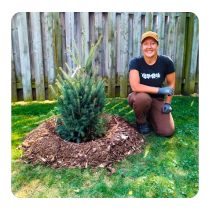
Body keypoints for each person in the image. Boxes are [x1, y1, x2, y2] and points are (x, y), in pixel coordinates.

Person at [128, 31, 175, 137]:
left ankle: (149, 113)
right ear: (141, 46)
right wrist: (160, 90)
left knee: (167, 131)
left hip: (157, 99)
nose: (149, 47)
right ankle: (141, 123)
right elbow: (135, 86)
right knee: (143, 98)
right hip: (138, 97)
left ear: (157, 45)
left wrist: (167, 103)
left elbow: (171, 82)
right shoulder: (135, 62)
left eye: (152, 43)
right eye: (145, 44)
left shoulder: (166, 62)